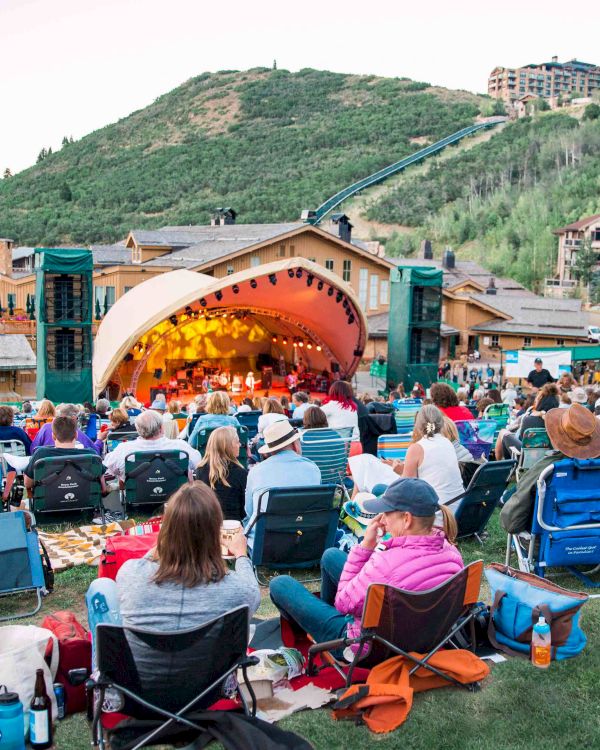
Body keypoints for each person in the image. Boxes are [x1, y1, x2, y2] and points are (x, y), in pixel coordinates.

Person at [269, 478, 463, 647]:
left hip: (365, 645)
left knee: (280, 584)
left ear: (406, 519)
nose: (383, 519)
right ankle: (324, 621)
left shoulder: (385, 562)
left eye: (387, 512)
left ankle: (323, 634)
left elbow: (344, 603)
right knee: (331, 556)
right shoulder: (452, 554)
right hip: (424, 636)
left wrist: (366, 546)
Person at [86, 482, 260, 636]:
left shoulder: (131, 574)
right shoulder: (239, 590)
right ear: (215, 531)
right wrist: (241, 555)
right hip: (211, 673)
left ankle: (99, 669)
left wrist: (164, 542)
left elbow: (143, 564)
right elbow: (252, 590)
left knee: (100, 586)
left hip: (140, 673)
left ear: (167, 528)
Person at [500, 403, 600, 534]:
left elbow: (511, 521)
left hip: (547, 541)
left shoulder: (550, 468)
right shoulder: (595, 467)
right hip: (594, 539)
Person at [244, 420, 321, 548]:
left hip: (266, 544)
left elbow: (250, 511)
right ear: (295, 444)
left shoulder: (256, 472)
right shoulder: (312, 469)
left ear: (270, 450)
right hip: (304, 540)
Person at [384, 404, 464, 506]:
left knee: (380, 489)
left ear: (417, 425)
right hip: (457, 509)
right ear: (441, 422)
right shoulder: (447, 443)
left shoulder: (416, 448)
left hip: (434, 512)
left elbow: (406, 490)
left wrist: (400, 472)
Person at [104, 410, 201, 482]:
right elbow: (198, 464)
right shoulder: (181, 447)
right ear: (162, 428)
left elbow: (107, 469)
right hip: (177, 502)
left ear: (138, 430)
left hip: (137, 502)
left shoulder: (124, 449)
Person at [23, 416, 102, 491]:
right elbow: (102, 487)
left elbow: (27, 483)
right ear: (76, 435)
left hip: (50, 503)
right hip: (85, 502)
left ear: (53, 436)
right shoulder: (91, 454)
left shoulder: (41, 454)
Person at [195, 426, 247, 521]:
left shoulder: (199, 470)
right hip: (234, 525)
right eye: (237, 442)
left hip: (207, 525)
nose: (240, 445)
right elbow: (245, 509)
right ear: (228, 446)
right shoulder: (240, 473)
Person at [495, 383, 559, 460]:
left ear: (540, 401)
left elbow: (521, 439)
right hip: (549, 459)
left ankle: (500, 463)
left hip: (526, 459)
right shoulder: (559, 421)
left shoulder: (529, 419)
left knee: (503, 432)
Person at [31, 403, 103, 455]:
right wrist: (100, 439)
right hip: (74, 474)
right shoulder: (76, 432)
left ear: (53, 436)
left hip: (47, 473)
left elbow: (33, 449)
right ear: (74, 418)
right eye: (78, 418)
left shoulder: (46, 428)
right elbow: (95, 452)